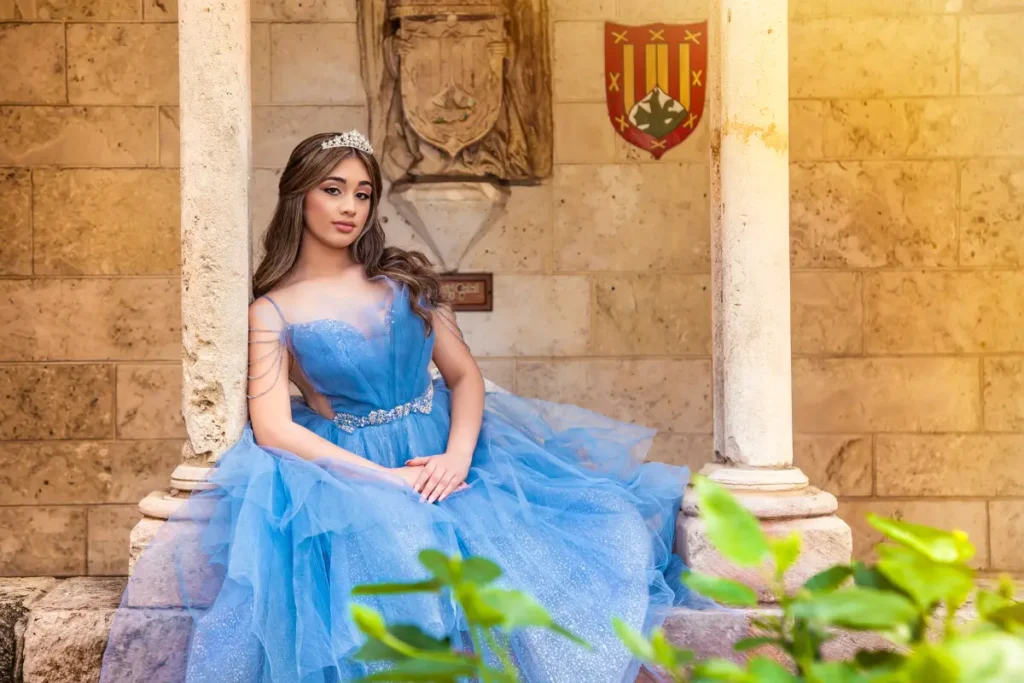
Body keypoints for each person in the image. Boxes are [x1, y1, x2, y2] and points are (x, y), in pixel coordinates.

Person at [99, 131, 706, 683]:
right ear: (298, 196)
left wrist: (456, 458)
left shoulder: (404, 279)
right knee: (405, 565)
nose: (349, 207)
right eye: (333, 190)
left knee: (597, 534)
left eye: (362, 194)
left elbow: (464, 377)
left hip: (446, 447)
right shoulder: (271, 310)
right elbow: (275, 428)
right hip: (350, 468)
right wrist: (387, 479)